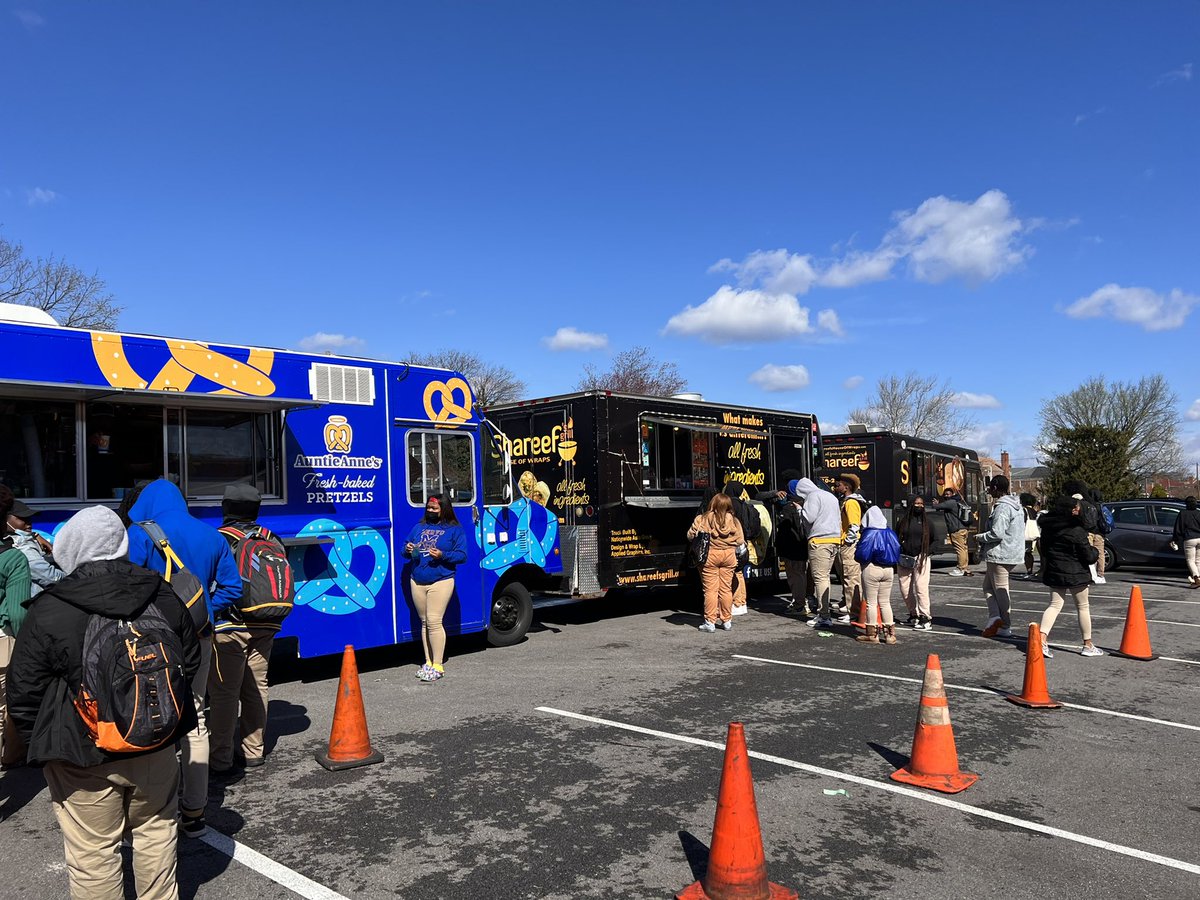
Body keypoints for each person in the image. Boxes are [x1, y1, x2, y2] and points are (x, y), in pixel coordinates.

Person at [8, 506, 201, 900]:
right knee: (157, 833)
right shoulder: (161, 593)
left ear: (70, 548)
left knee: (93, 853)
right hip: (156, 741)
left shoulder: (51, 607)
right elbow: (189, 662)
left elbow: (24, 692)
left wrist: (45, 746)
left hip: (82, 753)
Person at [126, 479, 241, 839]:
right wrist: (202, 610)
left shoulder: (140, 534)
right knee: (196, 716)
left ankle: (153, 810)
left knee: (150, 715)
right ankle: (195, 811)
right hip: (200, 638)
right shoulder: (212, 535)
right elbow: (233, 587)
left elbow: (127, 590)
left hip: (152, 640)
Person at [209, 485, 290, 775]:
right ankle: (253, 751)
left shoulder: (219, 538)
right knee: (257, 686)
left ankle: (220, 758)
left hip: (230, 625)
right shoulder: (271, 538)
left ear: (225, 508)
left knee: (225, 692)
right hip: (266, 622)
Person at [404, 493, 468, 680]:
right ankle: (428, 662)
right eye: (428, 508)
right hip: (417, 580)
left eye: (434, 508)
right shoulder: (419, 527)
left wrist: (442, 555)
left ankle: (438, 665)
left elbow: (462, 555)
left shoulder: (455, 530)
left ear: (444, 509)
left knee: (434, 621)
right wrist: (408, 549)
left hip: (442, 580)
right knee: (424, 622)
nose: (430, 511)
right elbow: (404, 549)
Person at [1037, 496, 1104, 657]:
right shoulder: (1077, 530)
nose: (1078, 510)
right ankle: (1087, 644)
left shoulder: (1048, 528)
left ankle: (1041, 639)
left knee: (1054, 605)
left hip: (1055, 570)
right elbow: (1089, 556)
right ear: (1071, 510)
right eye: (1076, 508)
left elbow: (1044, 550)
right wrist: (1095, 551)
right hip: (1077, 573)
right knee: (1083, 607)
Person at [0, 485, 33, 768]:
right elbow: (17, 613)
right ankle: (9, 756)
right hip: (3, 642)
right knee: (6, 708)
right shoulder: (13, 559)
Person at [687, 492, 744, 632]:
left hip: (709, 556)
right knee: (726, 589)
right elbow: (740, 541)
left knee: (710, 590)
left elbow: (690, 536)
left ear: (713, 504)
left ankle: (710, 622)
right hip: (729, 556)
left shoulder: (703, 518)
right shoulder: (734, 521)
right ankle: (727, 621)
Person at [976, 475, 1024, 638]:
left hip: (1000, 553)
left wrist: (980, 537)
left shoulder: (1002, 507)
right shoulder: (1017, 505)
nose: (989, 490)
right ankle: (995, 617)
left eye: (990, 488)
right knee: (988, 587)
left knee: (1001, 589)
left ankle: (1004, 624)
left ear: (995, 488)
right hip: (1012, 551)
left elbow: (997, 533)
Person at [795, 478, 843, 628]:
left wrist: (799, 509)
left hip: (819, 541)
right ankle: (824, 613)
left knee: (820, 578)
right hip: (834, 539)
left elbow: (809, 517)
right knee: (825, 577)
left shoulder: (812, 496)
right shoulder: (830, 496)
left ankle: (824, 616)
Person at [759, 470, 807, 614]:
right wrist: (775, 494)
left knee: (796, 576)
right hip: (796, 547)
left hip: (793, 547)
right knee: (797, 575)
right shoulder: (801, 503)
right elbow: (759, 496)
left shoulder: (792, 506)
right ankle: (800, 601)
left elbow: (798, 528)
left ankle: (799, 604)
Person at [854, 507, 901, 644]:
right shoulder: (890, 532)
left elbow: (862, 555)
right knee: (885, 602)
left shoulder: (869, 533)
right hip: (889, 569)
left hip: (872, 568)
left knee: (871, 603)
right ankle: (890, 635)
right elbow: (897, 549)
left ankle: (872, 634)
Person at [7, 498, 66, 596]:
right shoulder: (22, 545)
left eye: (29, 518)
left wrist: (35, 535)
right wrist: (72, 577)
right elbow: (51, 577)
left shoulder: (7, 540)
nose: (28, 522)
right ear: (5, 520)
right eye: (22, 518)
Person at [895, 495, 935, 631]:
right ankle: (914, 614)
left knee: (921, 588)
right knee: (904, 588)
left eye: (921, 504)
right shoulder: (903, 521)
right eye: (916, 503)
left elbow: (935, 540)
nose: (919, 506)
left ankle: (925, 618)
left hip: (922, 558)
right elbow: (896, 537)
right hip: (904, 558)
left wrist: (927, 552)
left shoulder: (927, 522)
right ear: (911, 504)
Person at [831, 473, 866, 620]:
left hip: (849, 545)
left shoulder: (851, 503)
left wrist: (847, 541)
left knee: (851, 578)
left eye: (838, 485)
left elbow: (854, 525)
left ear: (846, 487)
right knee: (847, 577)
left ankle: (854, 612)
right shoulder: (847, 501)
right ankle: (849, 605)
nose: (835, 487)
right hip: (846, 544)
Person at [722, 482, 760, 617]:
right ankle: (741, 602)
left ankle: (737, 602)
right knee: (739, 573)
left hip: (734, 542)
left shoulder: (730, 505)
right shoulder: (744, 504)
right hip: (744, 542)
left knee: (733, 573)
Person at [932, 487, 974, 576]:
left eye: (948, 494)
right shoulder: (958, 502)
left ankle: (961, 568)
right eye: (945, 494)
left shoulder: (951, 502)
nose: (946, 496)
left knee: (960, 549)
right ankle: (965, 568)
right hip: (963, 528)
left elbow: (936, 506)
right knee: (964, 549)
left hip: (956, 530)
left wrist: (936, 504)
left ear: (952, 494)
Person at [1172, 496, 1200, 588]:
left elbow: (1178, 528)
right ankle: (1198, 578)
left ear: (1186, 504)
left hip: (1189, 539)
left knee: (1190, 560)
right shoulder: (1199, 513)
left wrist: (1175, 539)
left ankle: (1196, 578)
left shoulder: (1183, 514)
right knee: (1198, 560)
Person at [1018, 493, 1041, 580]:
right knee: (1029, 553)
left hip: (1026, 534)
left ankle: (1029, 571)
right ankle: (1030, 571)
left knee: (1026, 553)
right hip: (1035, 534)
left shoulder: (1024, 510)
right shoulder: (1034, 511)